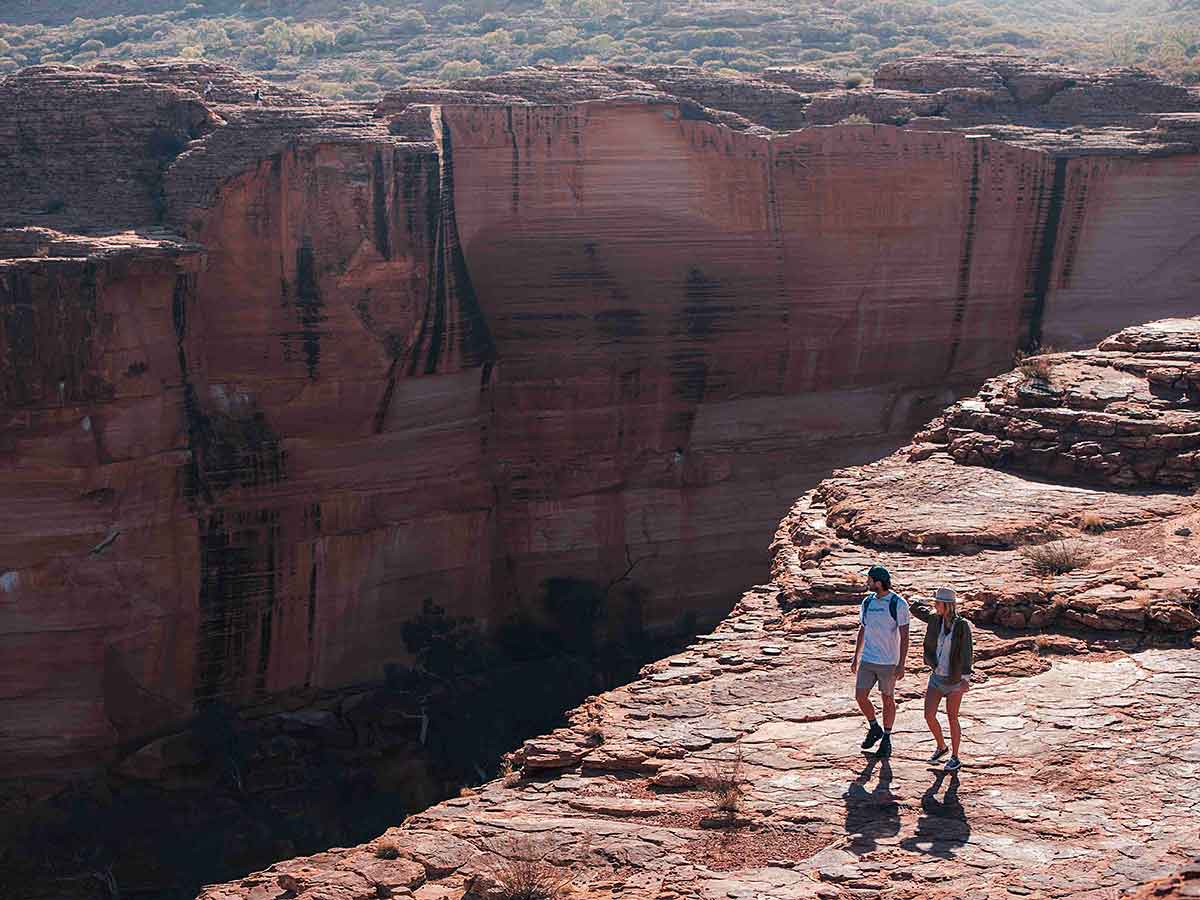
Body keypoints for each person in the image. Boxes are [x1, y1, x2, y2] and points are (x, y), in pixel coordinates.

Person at [851, 565, 910, 759]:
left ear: (878, 582)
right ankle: (874, 727)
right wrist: (855, 656)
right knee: (860, 696)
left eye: (869, 580)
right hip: (868, 658)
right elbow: (863, 628)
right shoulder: (867, 602)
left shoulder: (898, 603)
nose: (867, 583)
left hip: (888, 662)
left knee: (887, 700)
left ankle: (886, 737)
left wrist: (901, 663)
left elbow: (905, 635)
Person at [922, 587, 973, 772]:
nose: (935, 605)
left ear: (947, 605)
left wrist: (965, 678)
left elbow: (967, 651)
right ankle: (942, 747)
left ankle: (955, 757)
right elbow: (916, 609)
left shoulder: (962, 625)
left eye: (937, 603)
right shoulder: (935, 619)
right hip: (937, 677)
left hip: (954, 679)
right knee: (929, 715)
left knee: (952, 717)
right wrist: (917, 600)